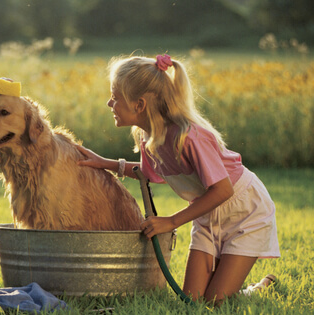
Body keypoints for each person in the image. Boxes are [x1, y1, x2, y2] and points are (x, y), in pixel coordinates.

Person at [76, 54, 280, 304]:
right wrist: (106, 163)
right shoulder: (150, 138)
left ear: (139, 105)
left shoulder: (189, 137)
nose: (110, 103)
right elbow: (147, 173)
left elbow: (223, 190)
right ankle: (228, 280)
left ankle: (258, 288)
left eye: (116, 97)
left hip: (244, 211)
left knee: (215, 301)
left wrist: (171, 221)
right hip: (207, 213)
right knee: (193, 300)